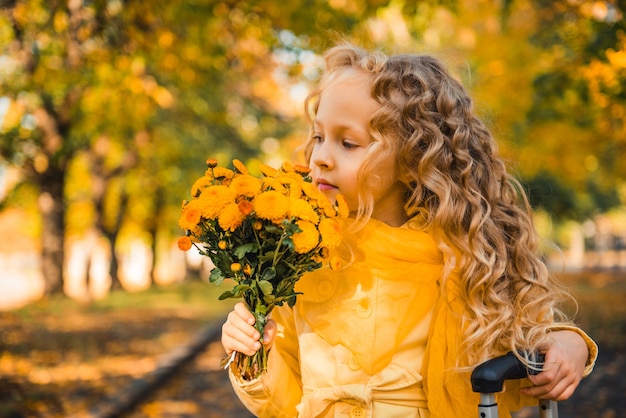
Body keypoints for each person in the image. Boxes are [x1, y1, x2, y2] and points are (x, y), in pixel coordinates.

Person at [220, 43, 598, 417]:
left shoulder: (462, 256)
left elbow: (530, 339)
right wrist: (252, 353)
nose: (319, 156)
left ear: (413, 158)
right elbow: (285, 404)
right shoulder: (301, 256)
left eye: (348, 142)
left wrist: (571, 344)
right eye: (319, 136)